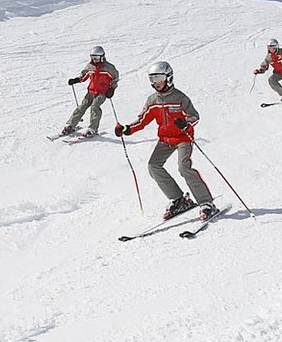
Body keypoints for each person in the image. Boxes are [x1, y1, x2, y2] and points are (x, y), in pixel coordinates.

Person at [114, 61, 215, 220]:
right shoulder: (152, 100)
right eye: (152, 79)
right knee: (153, 166)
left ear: (168, 77)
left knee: (184, 167)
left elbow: (194, 116)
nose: (156, 83)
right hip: (165, 140)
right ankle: (179, 199)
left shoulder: (180, 97)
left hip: (183, 138)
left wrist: (186, 123)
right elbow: (142, 121)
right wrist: (126, 129)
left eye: (159, 78)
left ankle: (206, 203)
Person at [62, 46, 119, 137]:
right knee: (81, 107)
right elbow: (84, 76)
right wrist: (76, 80)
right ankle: (71, 125)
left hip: (102, 92)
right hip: (91, 91)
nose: (94, 60)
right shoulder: (90, 66)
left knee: (95, 107)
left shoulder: (109, 68)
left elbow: (115, 79)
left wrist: (112, 89)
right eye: (92, 58)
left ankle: (93, 128)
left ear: (102, 57)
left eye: (96, 58)